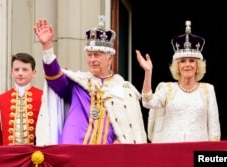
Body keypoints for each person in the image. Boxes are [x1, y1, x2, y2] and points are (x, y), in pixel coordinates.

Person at [34, 16, 147, 145]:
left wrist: (121, 140)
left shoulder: (123, 90)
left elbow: (128, 126)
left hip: (105, 154)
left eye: (97, 55)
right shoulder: (78, 83)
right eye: (89, 55)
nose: (92, 60)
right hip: (73, 150)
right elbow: (55, 78)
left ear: (109, 59)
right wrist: (47, 46)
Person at [136, 20, 221, 143]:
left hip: (198, 153)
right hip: (169, 154)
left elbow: (214, 131)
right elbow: (147, 102)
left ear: (198, 66)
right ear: (177, 66)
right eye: (183, 61)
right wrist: (148, 72)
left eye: (192, 60)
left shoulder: (208, 90)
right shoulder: (167, 89)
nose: (187, 65)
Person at [0, 53, 43, 145]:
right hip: (8, 156)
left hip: (35, 155)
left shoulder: (43, 97)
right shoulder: (0, 100)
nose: (20, 73)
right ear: (12, 73)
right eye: (16, 69)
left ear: (33, 73)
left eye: (25, 70)